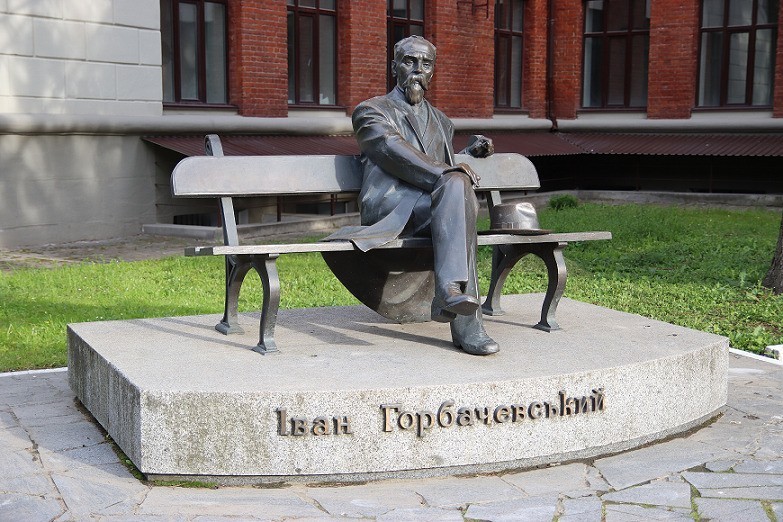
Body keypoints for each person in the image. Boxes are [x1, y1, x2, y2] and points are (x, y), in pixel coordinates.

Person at [335, 35, 498, 356]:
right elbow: (394, 150)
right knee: (458, 198)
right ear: (394, 66)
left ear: (433, 71)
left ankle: (449, 292)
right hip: (392, 208)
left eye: (426, 64)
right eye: (410, 61)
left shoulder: (442, 121)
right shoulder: (371, 111)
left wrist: (470, 153)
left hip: (433, 208)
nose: (418, 70)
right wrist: (450, 171)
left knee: (458, 195)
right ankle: (466, 323)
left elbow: (442, 166)